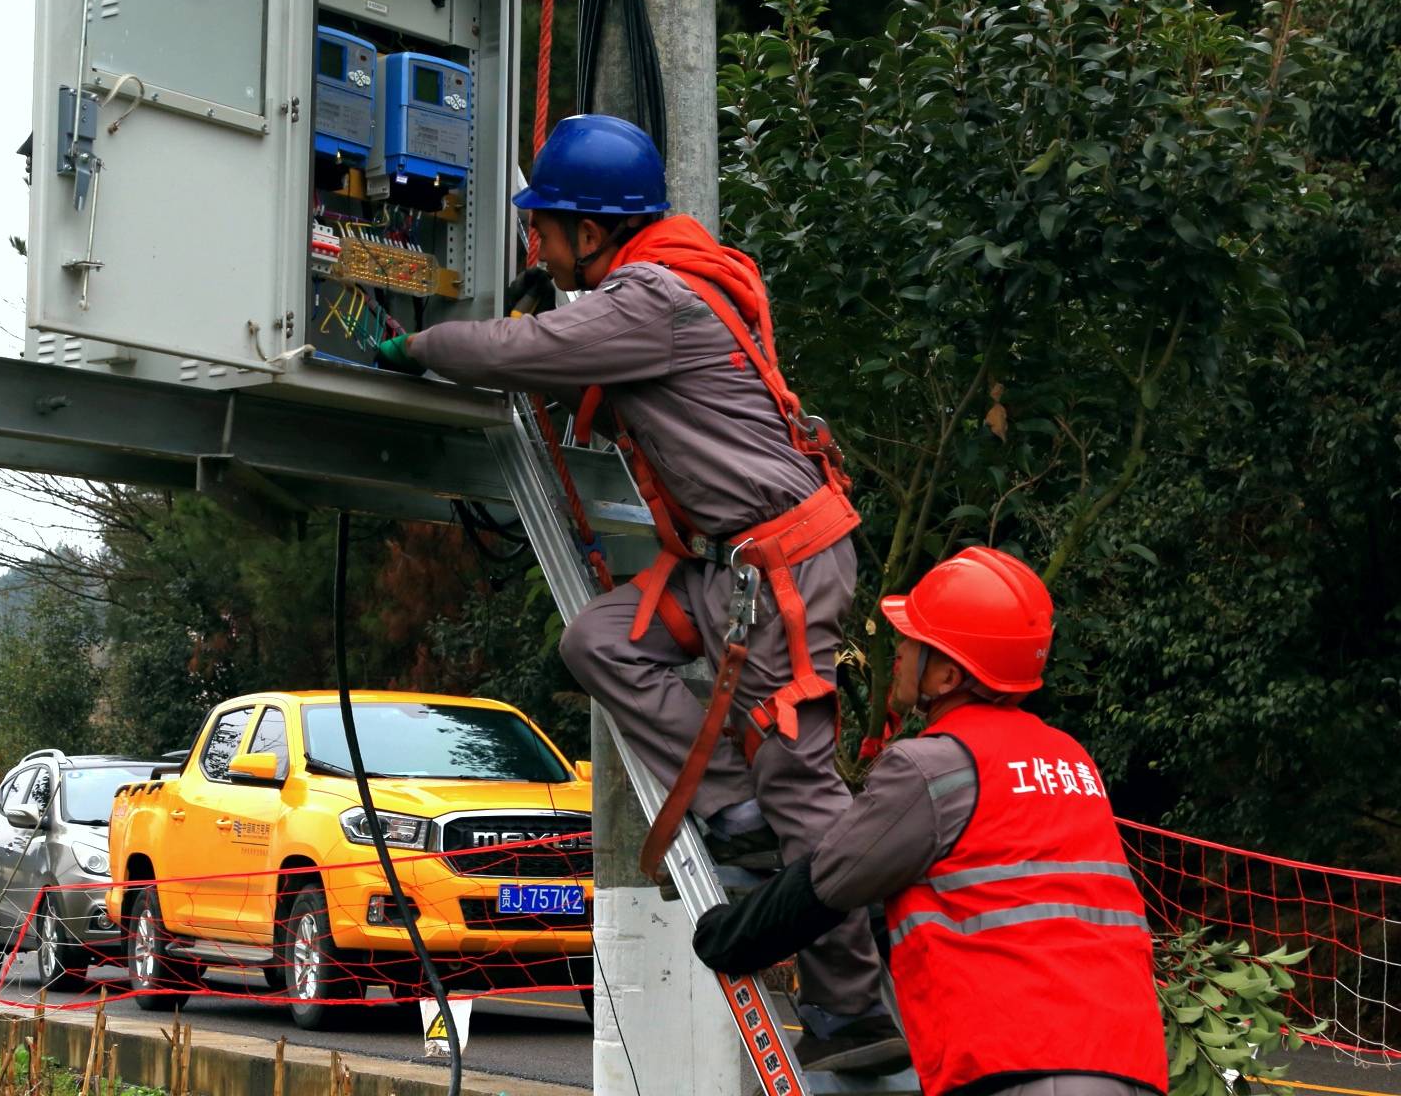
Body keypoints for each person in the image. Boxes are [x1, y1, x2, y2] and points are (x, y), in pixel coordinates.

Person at [374, 114, 899, 1070]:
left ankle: (855, 1010)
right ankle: (734, 808)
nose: (535, 247)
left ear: (592, 230)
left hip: (783, 565)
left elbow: (518, 352)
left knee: (800, 783)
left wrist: (419, 348)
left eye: (544, 229)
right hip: (734, 567)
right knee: (601, 640)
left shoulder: (649, 298)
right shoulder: (663, 283)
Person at [693, 546, 1170, 1095]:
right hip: (1129, 1065)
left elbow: (828, 883)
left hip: (1022, 1068)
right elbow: (980, 895)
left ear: (946, 675)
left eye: (912, 642)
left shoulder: (934, 766)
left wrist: (723, 936)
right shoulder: (1070, 761)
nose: (897, 653)